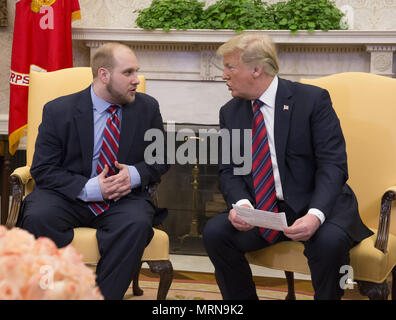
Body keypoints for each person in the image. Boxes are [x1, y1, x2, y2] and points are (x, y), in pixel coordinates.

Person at [203, 33, 373, 300]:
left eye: (229, 67)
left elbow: (333, 165)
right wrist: (242, 206)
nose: (223, 75)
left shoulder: (312, 100)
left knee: (330, 243)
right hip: (266, 210)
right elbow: (230, 171)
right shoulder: (231, 112)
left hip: (317, 204)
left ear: (256, 69)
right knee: (215, 233)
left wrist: (315, 215)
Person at [17, 42, 170, 300]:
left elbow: (162, 159)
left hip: (123, 198)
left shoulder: (147, 108)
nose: (137, 80)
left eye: (137, 72)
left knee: (136, 223)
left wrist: (133, 175)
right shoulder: (58, 110)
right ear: (103, 74)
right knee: (38, 216)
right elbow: (43, 168)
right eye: (129, 73)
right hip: (67, 195)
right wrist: (88, 188)